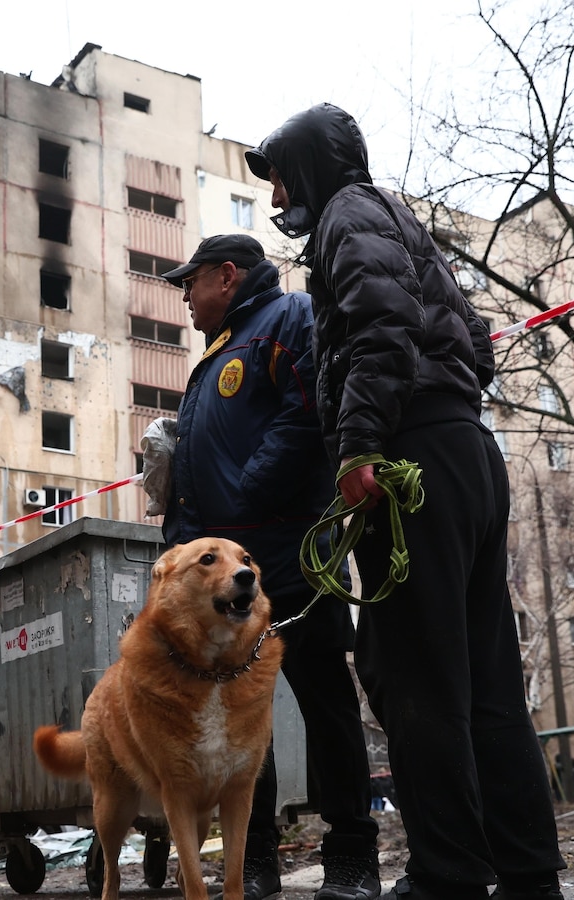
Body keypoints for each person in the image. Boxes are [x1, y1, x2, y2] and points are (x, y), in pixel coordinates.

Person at [247, 103, 566, 900]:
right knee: (486, 684)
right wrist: (439, 407)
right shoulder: (398, 220)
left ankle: (447, 876)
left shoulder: (349, 214)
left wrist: (359, 443)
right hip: (462, 452)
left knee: (412, 678)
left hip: (408, 459)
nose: (280, 195)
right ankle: (527, 878)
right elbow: (476, 342)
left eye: (282, 176)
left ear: (311, 167)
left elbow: (385, 324)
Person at [159, 233, 381, 900]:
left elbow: (306, 413)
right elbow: (200, 469)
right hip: (227, 583)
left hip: (292, 555)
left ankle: (351, 860)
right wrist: (184, 543)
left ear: (227, 276)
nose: (185, 297)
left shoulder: (288, 319)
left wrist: (247, 491)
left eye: (190, 282)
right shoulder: (216, 354)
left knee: (327, 704)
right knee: (238, 720)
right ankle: (253, 862)